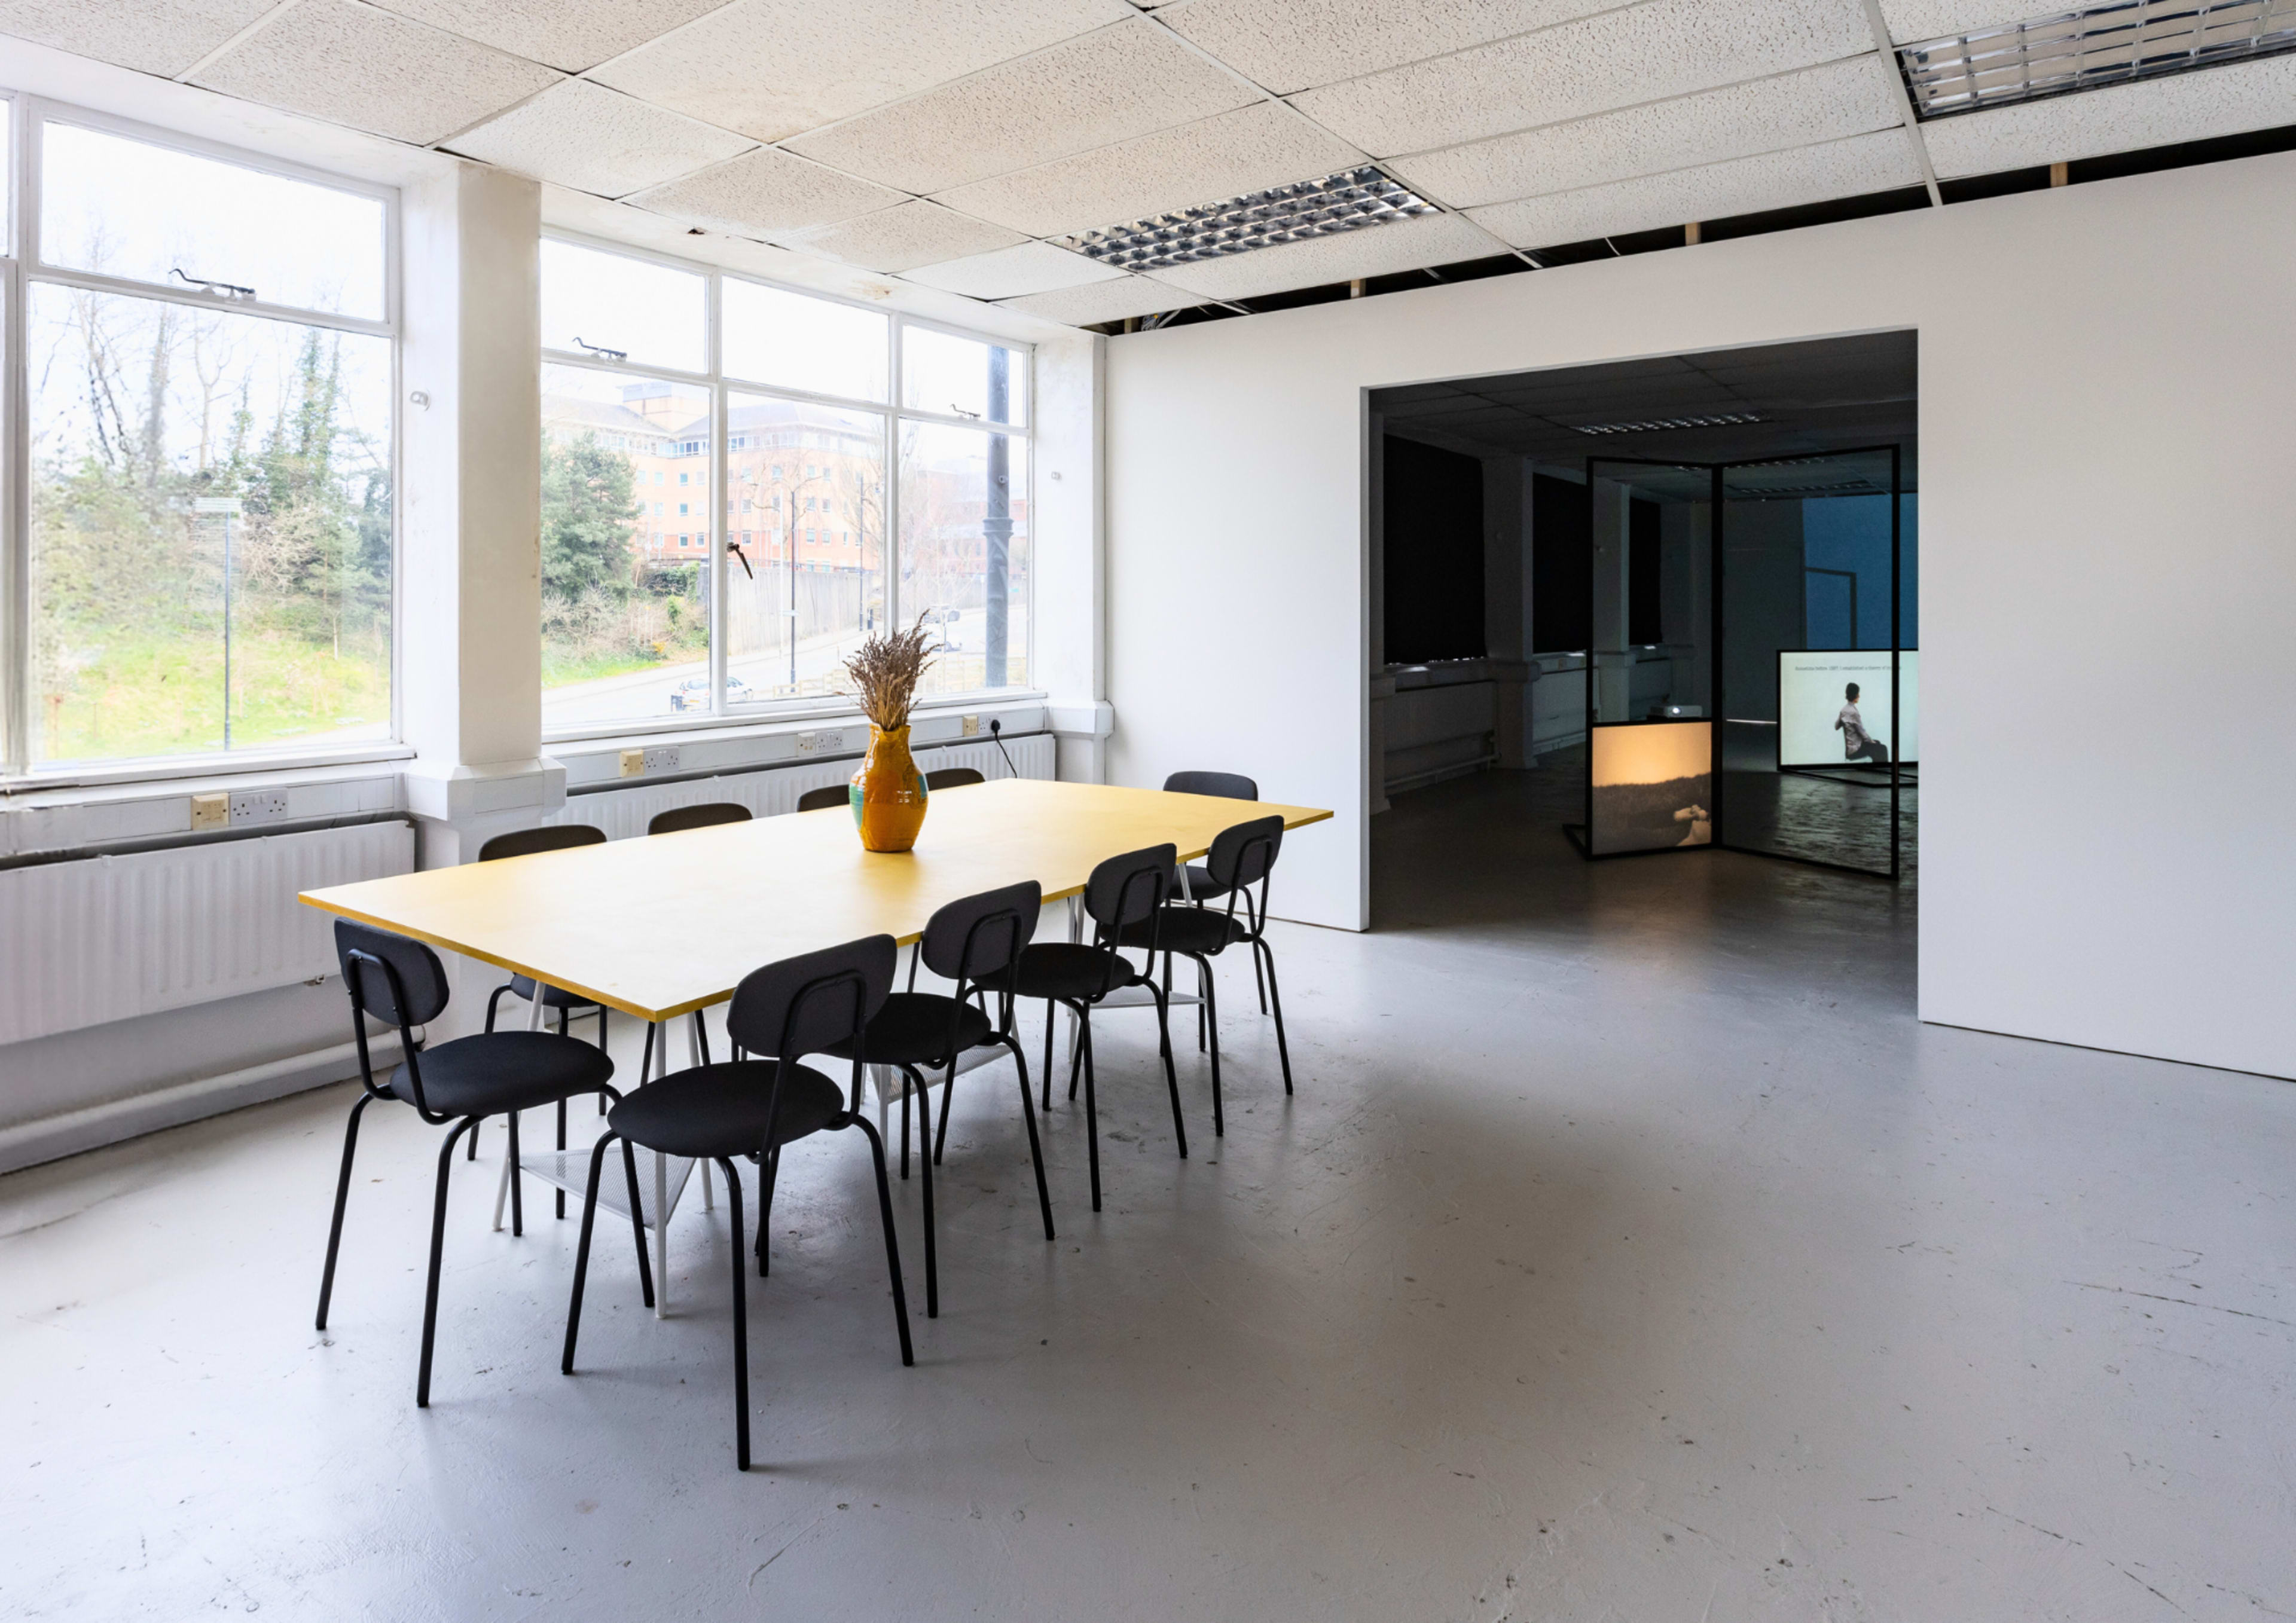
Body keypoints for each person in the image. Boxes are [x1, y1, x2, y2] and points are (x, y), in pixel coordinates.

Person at [1836, 681, 1889, 765]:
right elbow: (1863, 734)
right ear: (1855, 695)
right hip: (1856, 750)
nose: (1859, 696)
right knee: (1882, 748)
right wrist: (1871, 741)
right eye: (1858, 694)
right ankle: (1883, 771)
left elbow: (1836, 726)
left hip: (1850, 749)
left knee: (1877, 743)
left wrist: (1843, 718)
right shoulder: (1854, 712)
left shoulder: (1844, 710)